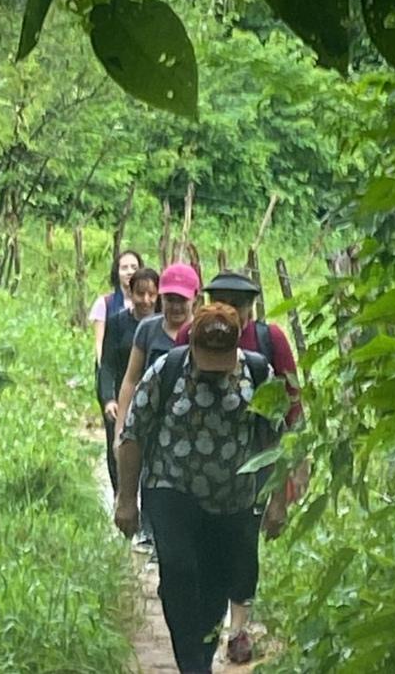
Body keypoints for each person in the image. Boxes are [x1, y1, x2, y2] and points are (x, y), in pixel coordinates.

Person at [114, 303, 288, 674]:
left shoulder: (258, 375)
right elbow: (133, 436)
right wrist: (126, 499)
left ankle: (200, 660)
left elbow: (275, 440)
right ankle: (193, 666)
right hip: (171, 489)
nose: (214, 369)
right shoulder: (167, 371)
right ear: (191, 344)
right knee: (177, 571)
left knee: (215, 590)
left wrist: (278, 501)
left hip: (232, 501)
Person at [175, 270, 305, 664]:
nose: (234, 313)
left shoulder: (271, 340)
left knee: (244, 545)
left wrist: (294, 470)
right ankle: (206, 624)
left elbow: (292, 405)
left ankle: (239, 629)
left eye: (241, 306)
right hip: (199, 466)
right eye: (225, 303)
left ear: (251, 309)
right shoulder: (190, 337)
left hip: (255, 461)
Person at [114, 262, 201, 554]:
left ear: (195, 299)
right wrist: (121, 427)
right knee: (151, 476)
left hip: (192, 425)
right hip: (152, 420)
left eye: (182, 300)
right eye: (170, 299)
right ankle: (153, 537)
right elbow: (131, 379)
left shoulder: (203, 330)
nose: (175, 306)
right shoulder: (148, 329)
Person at [97, 266, 160, 494]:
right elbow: (108, 365)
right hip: (124, 400)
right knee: (119, 450)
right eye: (140, 294)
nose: (146, 300)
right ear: (131, 295)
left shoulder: (165, 326)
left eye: (151, 294)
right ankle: (120, 497)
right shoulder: (117, 323)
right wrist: (108, 399)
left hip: (154, 402)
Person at [91, 250, 143, 366]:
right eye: (124, 268)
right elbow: (99, 343)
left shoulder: (148, 304)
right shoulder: (104, 303)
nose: (130, 272)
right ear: (117, 272)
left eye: (134, 267)